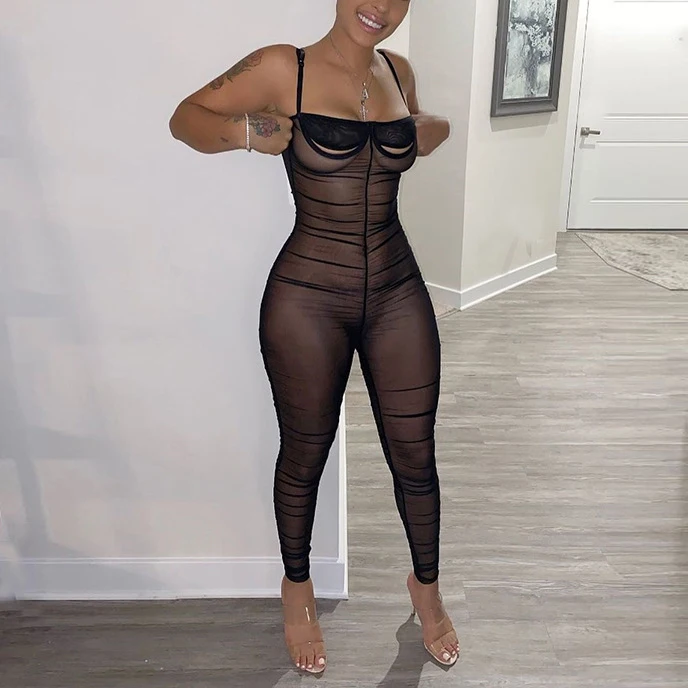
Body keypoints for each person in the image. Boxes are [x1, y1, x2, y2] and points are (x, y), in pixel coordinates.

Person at [169, 0, 458, 674]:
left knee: (416, 455)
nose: (378, 6)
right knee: (306, 450)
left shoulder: (398, 71)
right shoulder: (284, 67)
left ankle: (426, 587)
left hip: (396, 287)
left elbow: (425, 127)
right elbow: (186, 118)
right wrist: (248, 131)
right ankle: (296, 588)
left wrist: (427, 130)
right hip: (307, 296)